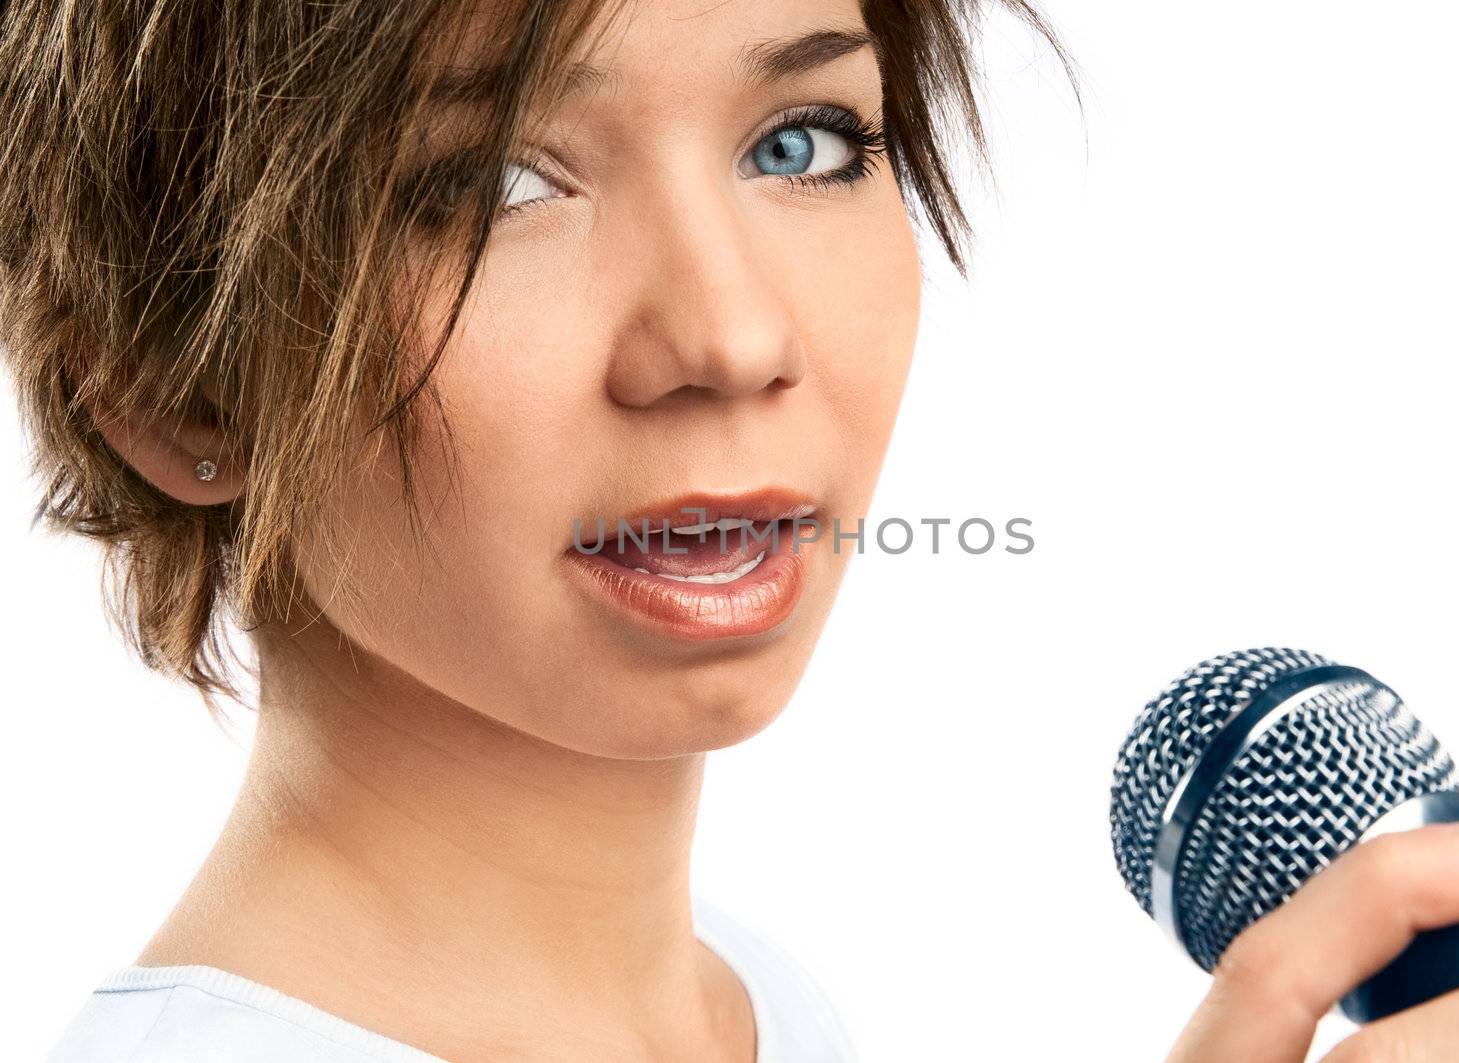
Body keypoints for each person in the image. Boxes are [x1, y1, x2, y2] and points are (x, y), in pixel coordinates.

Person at [0, 0, 1072, 1059]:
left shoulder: (765, 1003)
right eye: (492, 186)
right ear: (169, 384)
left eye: (800, 144)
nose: (734, 339)